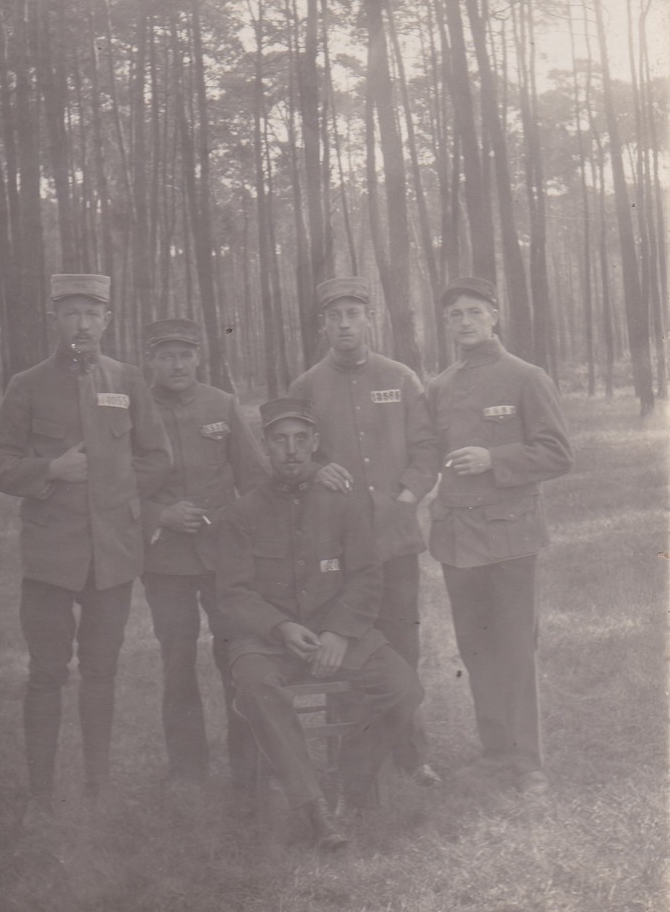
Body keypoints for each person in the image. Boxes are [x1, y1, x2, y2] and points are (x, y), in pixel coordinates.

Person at [0, 274, 172, 827]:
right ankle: (40, 793)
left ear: (108, 320)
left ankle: (98, 784)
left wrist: (110, 487)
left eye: (92, 314)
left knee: (101, 670)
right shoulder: (27, 385)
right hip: (50, 559)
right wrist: (52, 470)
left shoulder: (129, 381)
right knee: (46, 672)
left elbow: (156, 459)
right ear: (55, 319)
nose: (82, 325)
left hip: (111, 556)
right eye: (71, 314)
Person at [216, 398, 424, 850]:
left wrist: (339, 631)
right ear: (266, 447)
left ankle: (351, 782)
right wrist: (279, 628)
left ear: (314, 444)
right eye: (279, 440)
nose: (290, 450)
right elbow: (232, 593)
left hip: (339, 636)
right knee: (254, 685)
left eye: (300, 440)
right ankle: (313, 808)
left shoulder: (343, 504)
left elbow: (368, 574)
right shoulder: (242, 513)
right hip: (270, 644)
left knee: (405, 686)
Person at [289, 277, 439, 785]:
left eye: (354, 313)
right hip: (340, 550)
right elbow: (292, 455)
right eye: (335, 316)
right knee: (351, 647)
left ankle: (412, 756)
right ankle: (356, 761)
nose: (345, 323)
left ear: (369, 318)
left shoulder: (400, 378)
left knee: (402, 646)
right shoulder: (307, 387)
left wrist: (407, 496)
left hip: (394, 540)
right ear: (323, 325)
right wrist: (313, 472)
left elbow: (425, 449)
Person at [427, 276, 573, 796]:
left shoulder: (526, 377)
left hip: (512, 537)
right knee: (475, 648)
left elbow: (558, 453)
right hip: (458, 540)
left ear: (494, 316)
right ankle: (494, 754)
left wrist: (495, 459)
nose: (464, 322)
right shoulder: (440, 385)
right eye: (455, 315)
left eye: (474, 312)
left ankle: (529, 763)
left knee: (515, 647)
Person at [141, 318, 268, 791]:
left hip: (223, 559)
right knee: (176, 661)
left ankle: (249, 762)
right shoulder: (136, 410)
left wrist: (243, 532)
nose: (177, 364)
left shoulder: (222, 404)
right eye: (166, 355)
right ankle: (188, 771)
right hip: (165, 561)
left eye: (185, 354)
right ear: (149, 360)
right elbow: (115, 489)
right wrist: (159, 514)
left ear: (199, 357)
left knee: (238, 654)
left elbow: (254, 480)